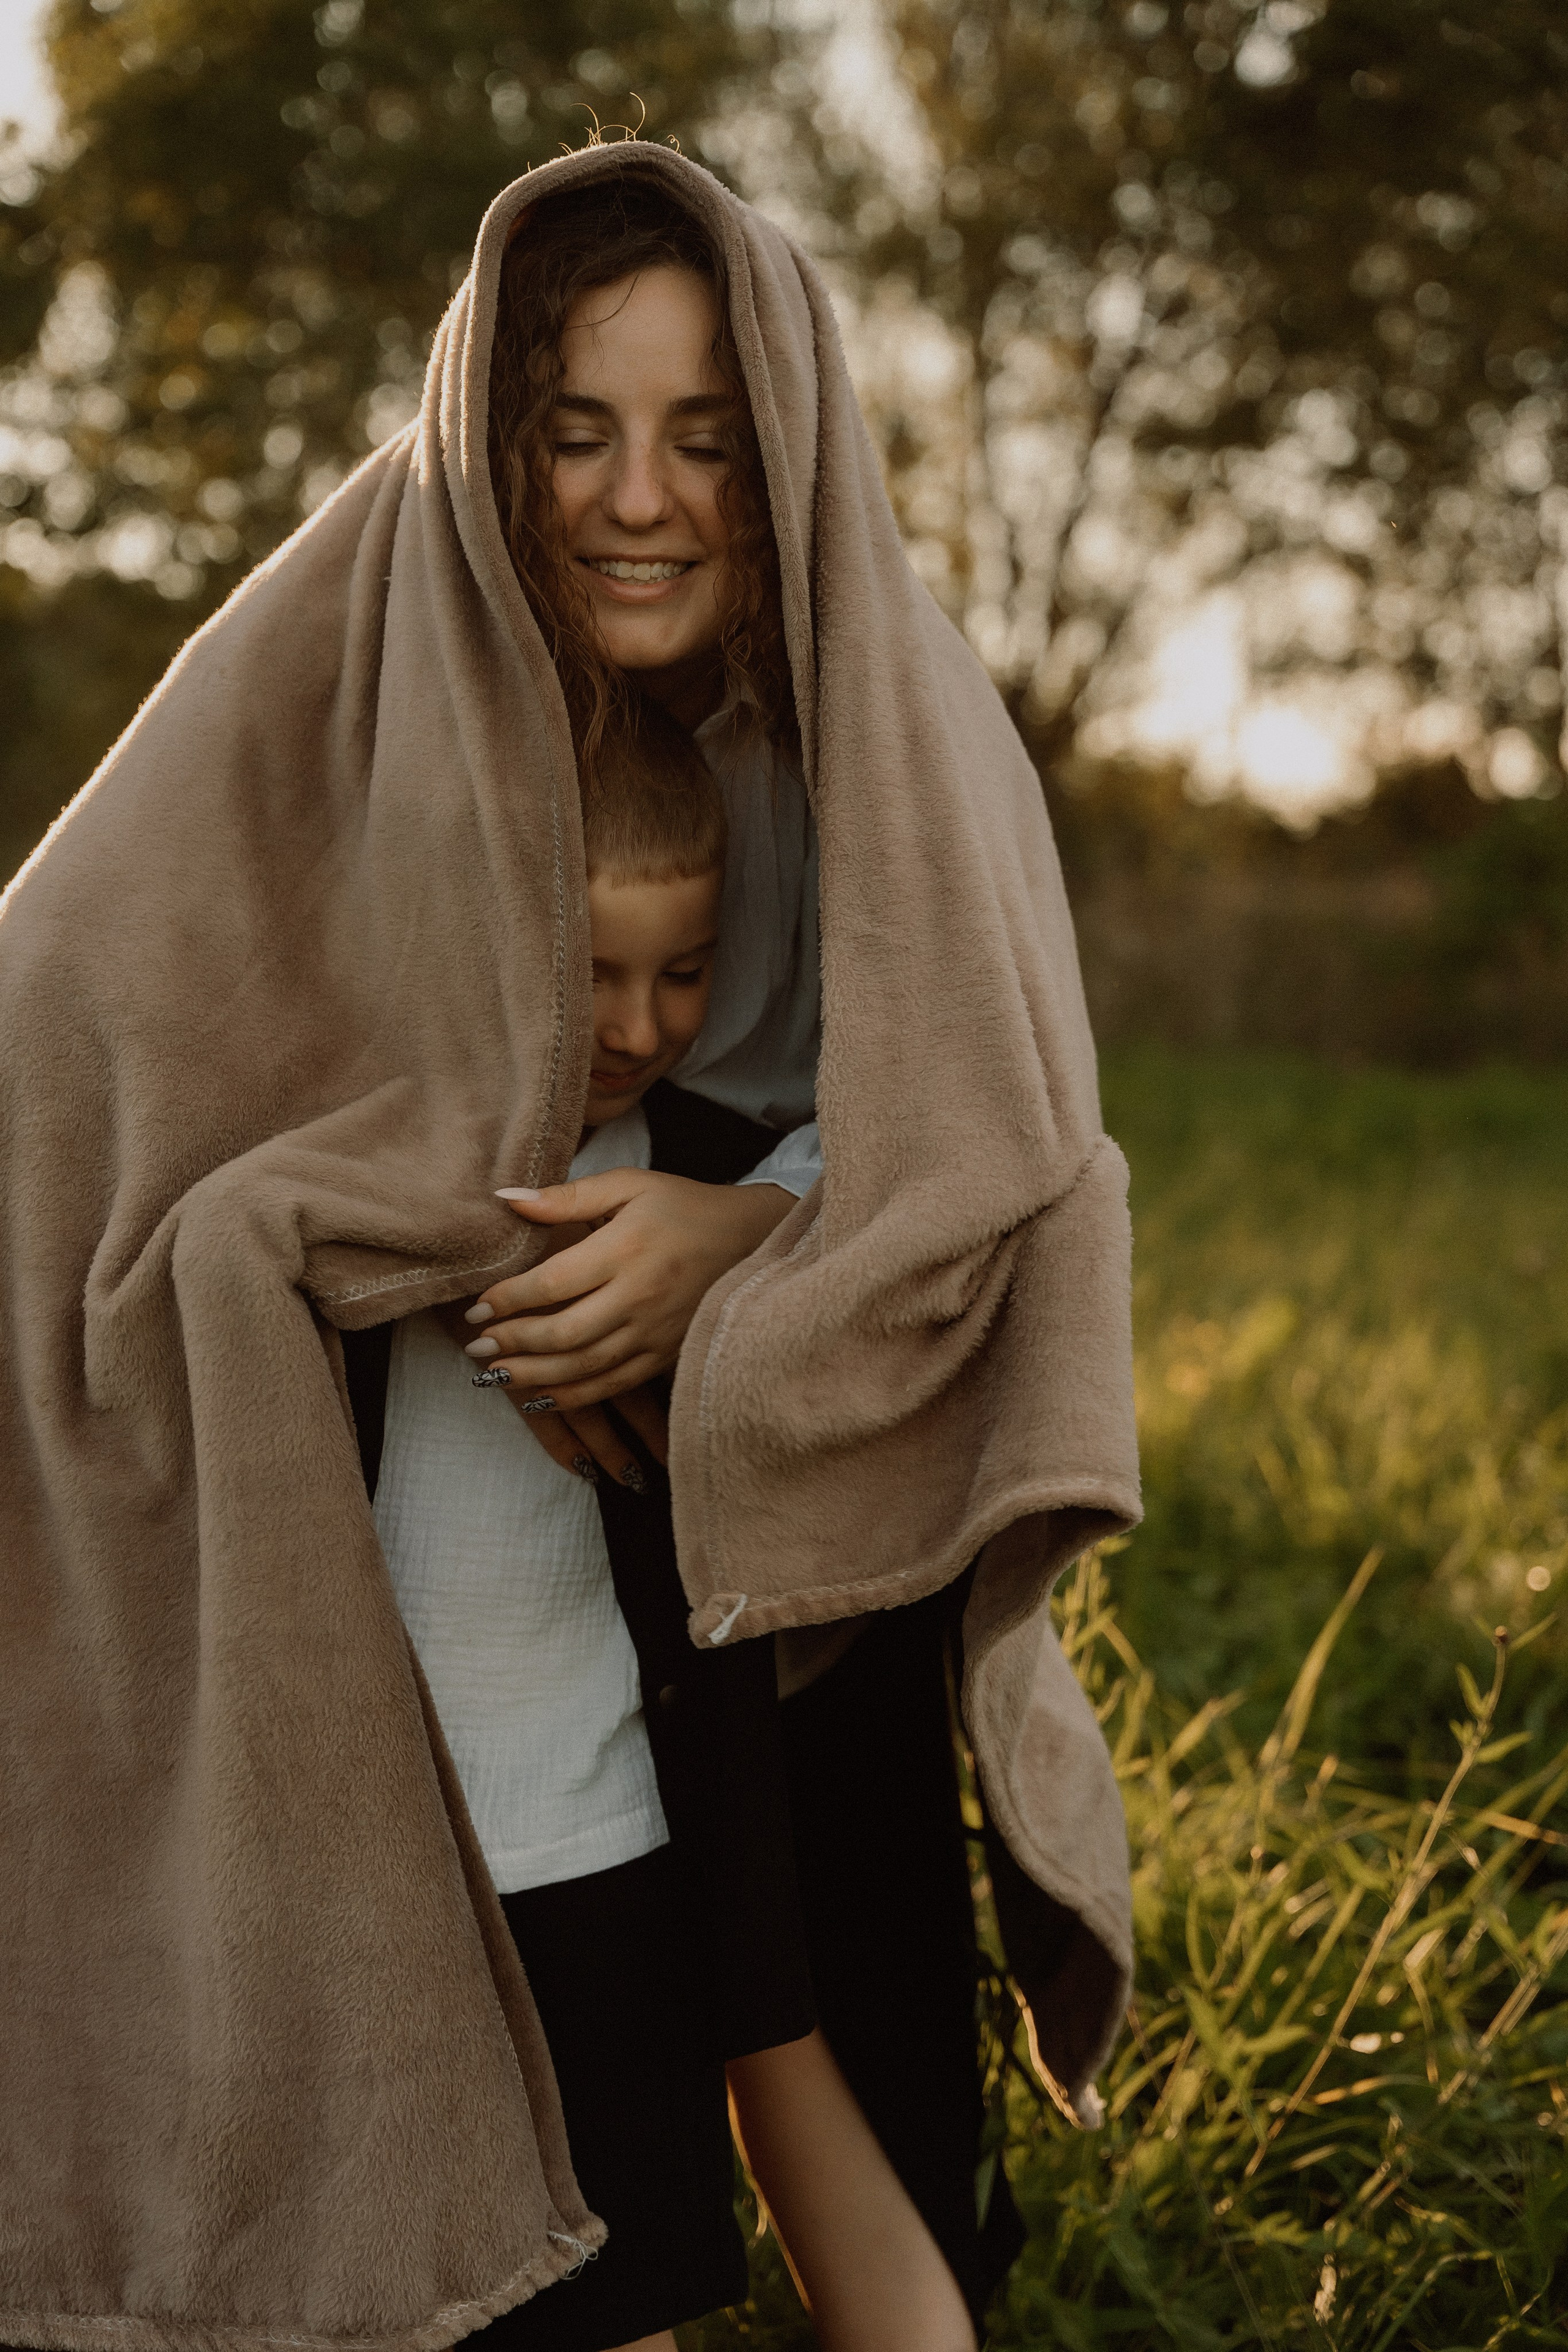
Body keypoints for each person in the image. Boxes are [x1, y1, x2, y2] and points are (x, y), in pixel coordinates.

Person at [0, 142, 1142, 2352]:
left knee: (813, 1945)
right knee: (543, 1925)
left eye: (706, 437)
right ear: (484, 427)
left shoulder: (888, 725)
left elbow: (1003, 1148)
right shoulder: (354, 647)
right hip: (453, 1490)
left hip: (786, 1458)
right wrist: (378, 1234)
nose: (641, 496)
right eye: (577, 428)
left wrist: (749, 1235)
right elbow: (70, 1018)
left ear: (783, 440)